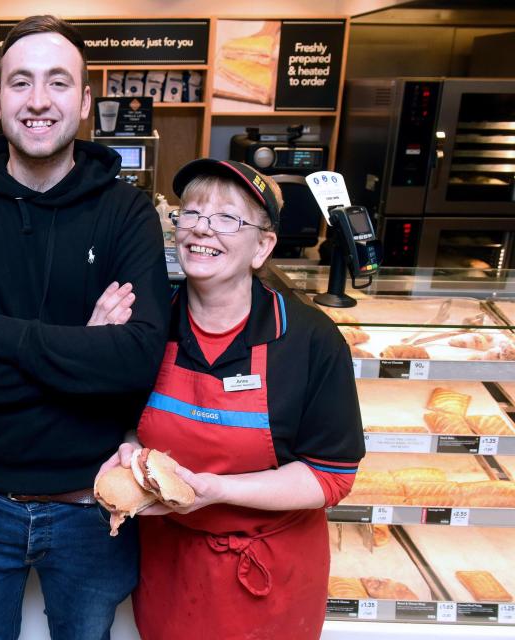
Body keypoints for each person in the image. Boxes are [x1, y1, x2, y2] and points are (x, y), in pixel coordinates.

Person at [0, 15, 170, 640]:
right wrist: (82, 351)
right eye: (20, 82)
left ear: (84, 102)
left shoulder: (127, 211)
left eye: (58, 82)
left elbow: (134, 361)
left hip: (93, 503)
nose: (39, 100)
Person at [98, 159, 365, 639]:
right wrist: (129, 445)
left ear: (262, 246)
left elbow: (332, 476)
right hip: (171, 569)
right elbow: (127, 417)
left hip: (270, 576)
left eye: (226, 218)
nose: (202, 229)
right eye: (192, 213)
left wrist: (218, 491)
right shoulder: (150, 326)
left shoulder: (308, 340)